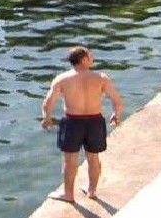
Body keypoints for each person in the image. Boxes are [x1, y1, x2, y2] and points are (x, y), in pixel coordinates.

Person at [40, 46, 124, 203]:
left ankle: (68, 194)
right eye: (90, 56)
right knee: (93, 157)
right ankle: (92, 191)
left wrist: (47, 118)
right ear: (83, 59)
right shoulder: (101, 78)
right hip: (95, 121)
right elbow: (117, 101)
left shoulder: (62, 79)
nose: (92, 58)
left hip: (73, 121)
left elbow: (48, 102)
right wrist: (116, 115)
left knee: (70, 160)